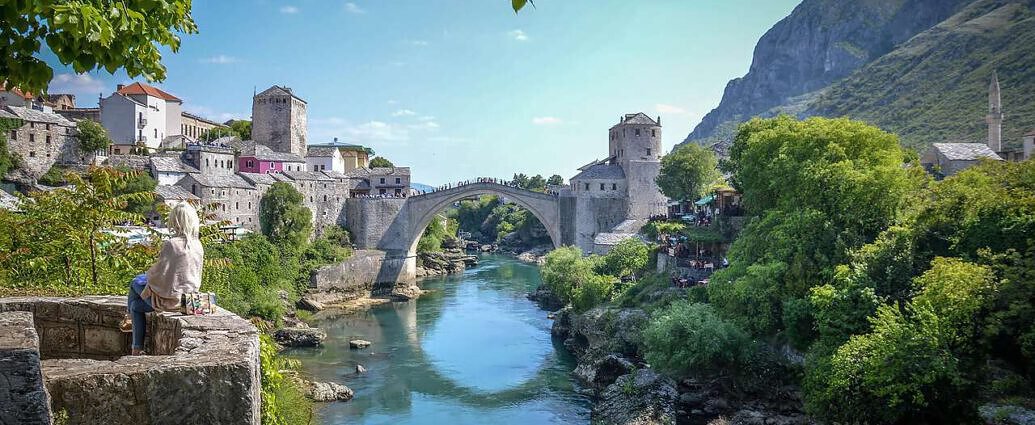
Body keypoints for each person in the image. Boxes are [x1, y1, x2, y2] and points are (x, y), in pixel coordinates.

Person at [120, 202, 204, 355]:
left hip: (170, 300)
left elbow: (159, 275)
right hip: (187, 299)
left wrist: (148, 276)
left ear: (175, 220)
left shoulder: (171, 244)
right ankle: (135, 349)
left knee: (135, 282)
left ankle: (129, 322)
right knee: (136, 306)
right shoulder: (197, 244)